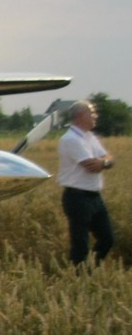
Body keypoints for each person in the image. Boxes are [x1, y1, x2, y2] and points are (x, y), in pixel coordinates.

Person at [58, 99, 115, 264]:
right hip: (77, 198)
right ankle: (78, 276)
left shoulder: (89, 137)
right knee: (80, 246)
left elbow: (108, 159)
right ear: (82, 115)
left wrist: (104, 162)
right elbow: (91, 166)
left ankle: (88, 271)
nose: (95, 116)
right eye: (92, 113)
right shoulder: (70, 139)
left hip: (95, 197)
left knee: (107, 239)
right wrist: (104, 162)